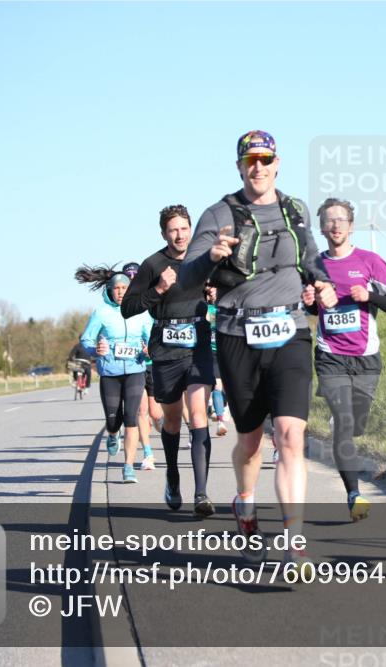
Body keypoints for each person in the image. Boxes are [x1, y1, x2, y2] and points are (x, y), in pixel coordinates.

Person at [176, 130, 337, 575]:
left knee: (289, 436)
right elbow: (187, 278)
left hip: (289, 330)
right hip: (237, 334)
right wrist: (211, 257)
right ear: (239, 167)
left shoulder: (294, 209)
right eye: (250, 161)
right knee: (249, 442)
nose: (258, 167)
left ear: (277, 163)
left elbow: (311, 259)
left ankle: (294, 544)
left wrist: (322, 283)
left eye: (265, 159)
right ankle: (245, 503)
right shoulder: (219, 213)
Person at [301, 197, 386, 522]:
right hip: (330, 356)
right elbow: (309, 308)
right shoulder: (314, 265)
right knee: (344, 422)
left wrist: (370, 296)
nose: (335, 225)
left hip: (366, 358)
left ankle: (343, 425)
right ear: (322, 228)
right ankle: (354, 494)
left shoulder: (370, 261)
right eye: (329, 221)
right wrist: (309, 300)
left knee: (356, 423)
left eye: (341, 219)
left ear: (351, 226)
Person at [121, 206, 216, 518]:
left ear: (191, 229)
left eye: (184, 228)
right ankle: (173, 476)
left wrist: (215, 292)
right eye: (173, 230)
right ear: (164, 233)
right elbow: (128, 307)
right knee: (172, 420)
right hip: (165, 349)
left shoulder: (204, 259)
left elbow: (227, 288)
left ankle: (201, 493)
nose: (180, 235)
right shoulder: (153, 264)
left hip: (198, 344)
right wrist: (159, 289)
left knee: (199, 415)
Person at [76, 265, 154, 484]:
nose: (120, 292)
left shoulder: (141, 312)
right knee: (113, 421)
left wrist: (150, 349)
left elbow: (152, 338)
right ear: (110, 291)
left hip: (135, 370)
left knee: (131, 418)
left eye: (124, 288)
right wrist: (95, 350)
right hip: (110, 372)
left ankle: (128, 466)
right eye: (116, 288)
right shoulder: (101, 313)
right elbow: (86, 339)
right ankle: (112, 434)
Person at [123, 261, 161, 472]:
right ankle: (148, 453)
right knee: (141, 411)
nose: (131, 282)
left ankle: (166, 427)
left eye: (134, 278)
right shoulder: (123, 307)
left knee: (155, 413)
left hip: (152, 364)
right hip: (134, 366)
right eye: (127, 278)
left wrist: (152, 347)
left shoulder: (150, 302)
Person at [206, 300, 229, 437]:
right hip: (212, 354)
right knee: (217, 386)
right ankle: (220, 421)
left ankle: (223, 405)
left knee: (229, 386)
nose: (212, 292)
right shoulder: (205, 308)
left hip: (229, 352)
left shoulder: (228, 305)